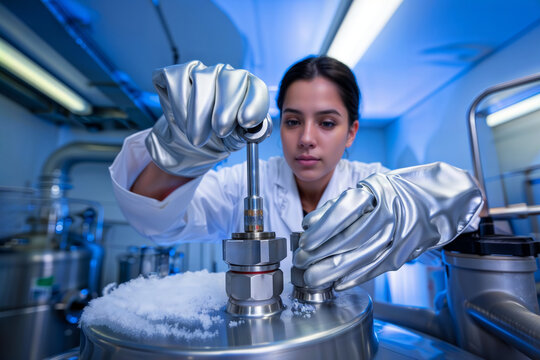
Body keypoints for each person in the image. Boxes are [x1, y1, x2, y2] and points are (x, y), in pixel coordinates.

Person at [109, 56, 483, 291]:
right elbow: (154, 219)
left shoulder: (376, 187)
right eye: (292, 121)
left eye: (326, 122)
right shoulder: (242, 183)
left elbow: (468, 218)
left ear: (351, 131)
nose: (306, 139)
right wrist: (180, 151)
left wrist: (427, 204)